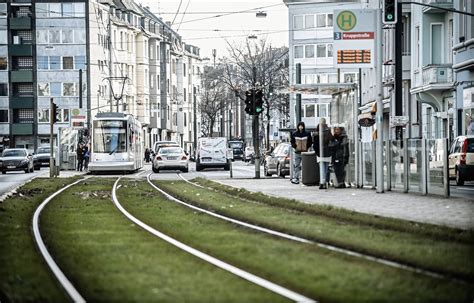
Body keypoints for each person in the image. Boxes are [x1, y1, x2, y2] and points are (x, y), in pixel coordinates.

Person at [313, 118, 333, 189]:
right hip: (326, 152)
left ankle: (322, 182)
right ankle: (324, 182)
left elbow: (315, 144)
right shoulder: (328, 131)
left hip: (321, 153)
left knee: (322, 168)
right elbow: (331, 141)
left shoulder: (317, 132)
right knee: (325, 168)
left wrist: (317, 152)